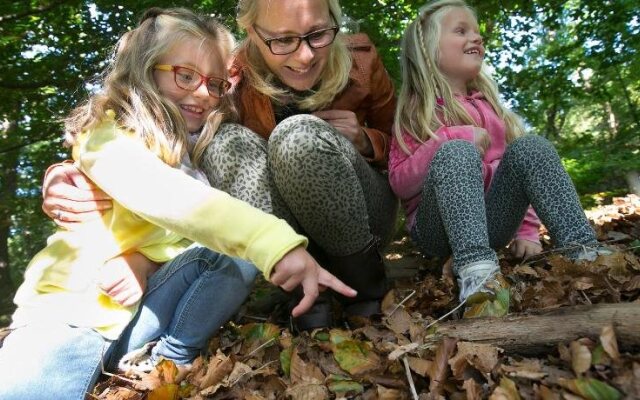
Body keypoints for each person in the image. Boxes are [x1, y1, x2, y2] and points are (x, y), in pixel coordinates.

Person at [0, 8, 354, 400]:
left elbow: (202, 228)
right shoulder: (105, 137)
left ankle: (169, 360)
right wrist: (274, 242)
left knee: (230, 256)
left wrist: (146, 262)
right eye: (185, 76)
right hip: (73, 316)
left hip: (147, 316)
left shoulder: (198, 148)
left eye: (215, 83)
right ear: (145, 69)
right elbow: (170, 199)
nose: (202, 93)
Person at [42, 0, 399, 331]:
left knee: (298, 136)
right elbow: (152, 129)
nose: (304, 55)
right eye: (282, 40)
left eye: (318, 34)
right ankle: (306, 302)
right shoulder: (225, 76)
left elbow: (408, 147)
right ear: (253, 32)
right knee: (223, 142)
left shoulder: (361, 60)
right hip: (282, 236)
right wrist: (71, 172)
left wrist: (368, 140)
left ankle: (365, 288)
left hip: (362, 220)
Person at [389, 0, 607, 317]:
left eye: (477, 32)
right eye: (461, 31)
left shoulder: (490, 107)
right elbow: (399, 181)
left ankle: (585, 254)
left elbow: (519, 174)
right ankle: (478, 275)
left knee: (531, 146)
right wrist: (453, 138)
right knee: (456, 151)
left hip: (494, 222)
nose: (476, 38)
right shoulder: (414, 111)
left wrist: (527, 231)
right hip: (437, 229)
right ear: (427, 49)